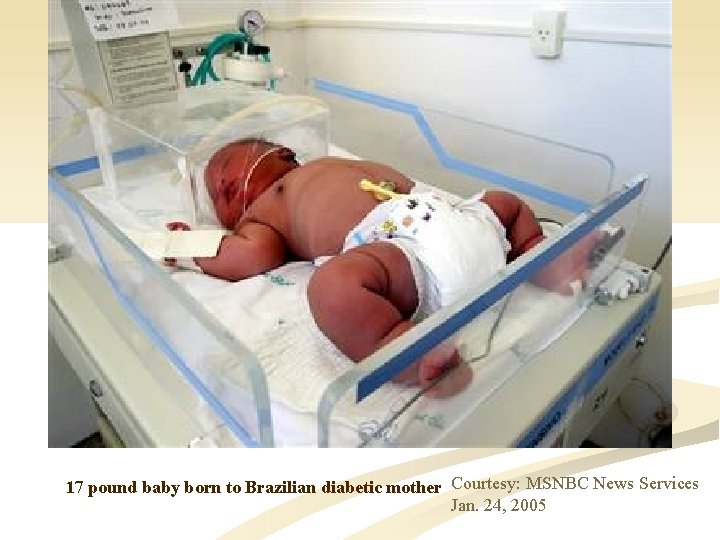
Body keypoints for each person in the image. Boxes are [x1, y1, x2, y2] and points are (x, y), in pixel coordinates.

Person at [174, 138, 597, 397]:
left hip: (451, 220)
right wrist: (186, 246)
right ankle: (411, 354)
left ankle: (537, 254)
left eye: (227, 168)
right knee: (332, 287)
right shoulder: (265, 214)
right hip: (401, 252)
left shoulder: (322, 165)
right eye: (219, 196)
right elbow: (247, 256)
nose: (222, 184)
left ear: (282, 154)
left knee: (505, 202)